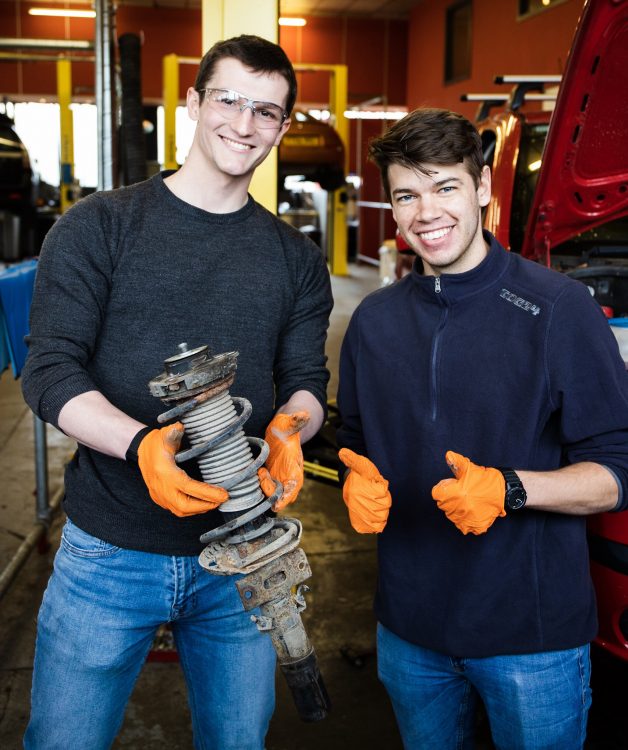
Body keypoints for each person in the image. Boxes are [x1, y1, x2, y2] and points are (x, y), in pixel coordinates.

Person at [21, 34, 332, 750]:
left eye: (266, 111)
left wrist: (288, 432)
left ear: (283, 126)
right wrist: (141, 447)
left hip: (242, 562)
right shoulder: (99, 227)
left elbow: (306, 384)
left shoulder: (295, 258)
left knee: (237, 742)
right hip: (109, 552)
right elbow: (52, 370)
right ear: (193, 103)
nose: (243, 124)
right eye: (228, 99)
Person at [336, 107, 628, 750]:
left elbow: (617, 470)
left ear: (483, 189)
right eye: (407, 194)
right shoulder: (373, 322)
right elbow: (352, 439)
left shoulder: (559, 309)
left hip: (531, 639)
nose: (426, 212)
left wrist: (511, 489)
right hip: (409, 632)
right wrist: (352, 478)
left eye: (445, 187)